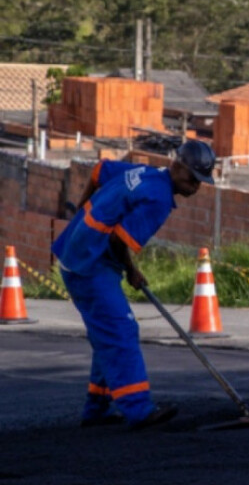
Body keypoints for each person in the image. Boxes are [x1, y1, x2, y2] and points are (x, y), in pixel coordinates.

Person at [52, 140, 216, 430]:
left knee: (108, 333)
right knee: (120, 328)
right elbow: (118, 240)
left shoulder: (144, 172)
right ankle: (138, 409)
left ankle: (96, 409)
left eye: (201, 182)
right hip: (88, 265)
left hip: (79, 254)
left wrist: (80, 211)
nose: (196, 187)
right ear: (177, 166)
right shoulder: (159, 199)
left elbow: (99, 171)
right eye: (192, 178)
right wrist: (131, 271)